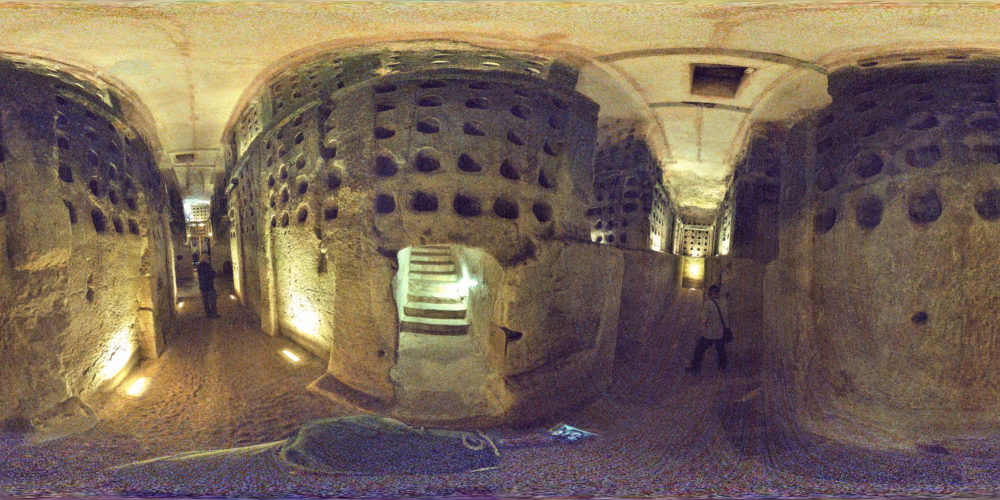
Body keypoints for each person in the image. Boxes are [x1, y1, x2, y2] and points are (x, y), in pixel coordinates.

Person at [685, 284, 728, 373]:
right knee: (721, 350)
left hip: (709, 333)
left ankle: (695, 368)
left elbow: (704, 320)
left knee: (699, 350)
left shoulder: (708, 304)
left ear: (710, 293)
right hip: (720, 332)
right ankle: (723, 368)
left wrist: (700, 318)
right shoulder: (723, 303)